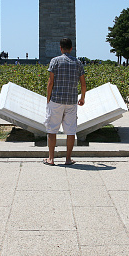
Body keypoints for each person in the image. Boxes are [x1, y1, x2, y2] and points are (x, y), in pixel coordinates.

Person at [43, 38, 86, 166]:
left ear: (61, 48)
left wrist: (48, 98)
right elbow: (83, 84)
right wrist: (82, 97)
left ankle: (51, 159)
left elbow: (50, 82)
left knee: (52, 129)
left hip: (56, 100)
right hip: (71, 101)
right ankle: (68, 159)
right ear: (71, 48)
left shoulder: (55, 61)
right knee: (71, 131)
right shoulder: (78, 63)